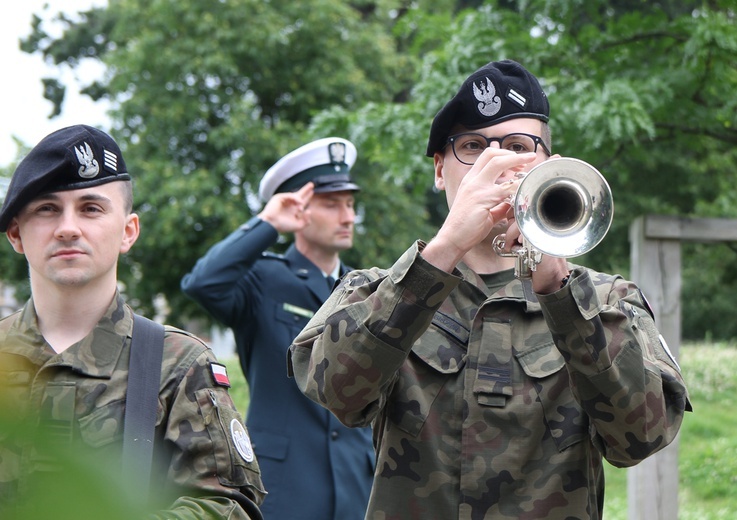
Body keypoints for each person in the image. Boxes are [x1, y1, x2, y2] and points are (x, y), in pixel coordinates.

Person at [287, 60, 692, 520]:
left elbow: (639, 437)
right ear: (440, 170)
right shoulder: (372, 290)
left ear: (551, 168)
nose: (495, 164)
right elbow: (337, 394)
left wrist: (560, 292)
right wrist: (440, 254)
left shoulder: (609, 301)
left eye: (519, 146)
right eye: (474, 146)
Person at [0, 125, 265, 519]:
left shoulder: (178, 363)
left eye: (91, 208)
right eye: (47, 209)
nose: (68, 227)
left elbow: (229, 506)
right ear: (17, 234)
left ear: (128, 231)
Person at [181, 137, 374, 520]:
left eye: (350, 204)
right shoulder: (262, 280)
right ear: (297, 207)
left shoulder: (367, 289)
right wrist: (268, 224)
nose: (348, 216)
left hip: (359, 489)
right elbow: (202, 283)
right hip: (283, 490)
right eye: (332, 205)